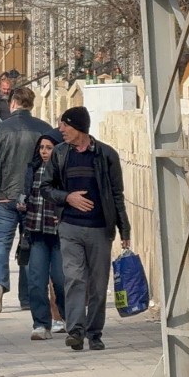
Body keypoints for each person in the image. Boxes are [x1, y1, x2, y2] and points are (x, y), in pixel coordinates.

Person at [39, 106, 131, 351]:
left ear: (78, 127)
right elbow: (46, 188)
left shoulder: (106, 155)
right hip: (70, 227)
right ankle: (76, 331)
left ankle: (95, 332)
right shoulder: (60, 154)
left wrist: (125, 230)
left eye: (65, 125)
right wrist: (67, 197)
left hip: (100, 229)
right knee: (74, 279)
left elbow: (117, 194)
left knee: (98, 285)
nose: (61, 129)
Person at [0, 87, 52, 313]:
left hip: (2, 197)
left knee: (1, 242)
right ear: (31, 104)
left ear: (13, 103)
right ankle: (28, 297)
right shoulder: (45, 130)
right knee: (31, 244)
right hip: (34, 198)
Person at [21, 129, 66, 340]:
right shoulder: (34, 169)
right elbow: (27, 194)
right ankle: (40, 324)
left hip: (59, 234)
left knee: (61, 280)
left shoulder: (63, 170)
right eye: (41, 148)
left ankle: (68, 318)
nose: (44, 152)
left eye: (49, 148)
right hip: (37, 232)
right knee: (36, 281)